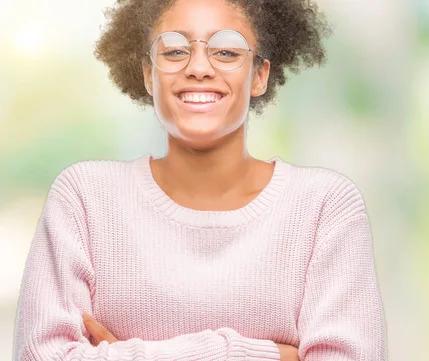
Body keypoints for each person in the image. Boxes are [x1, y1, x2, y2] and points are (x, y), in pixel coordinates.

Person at [12, 0, 387, 360]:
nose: (199, 68)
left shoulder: (324, 207)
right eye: (175, 51)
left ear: (258, 75)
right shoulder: (85, 199)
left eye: (226, 52)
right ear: (148, 74)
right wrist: (256, 354)